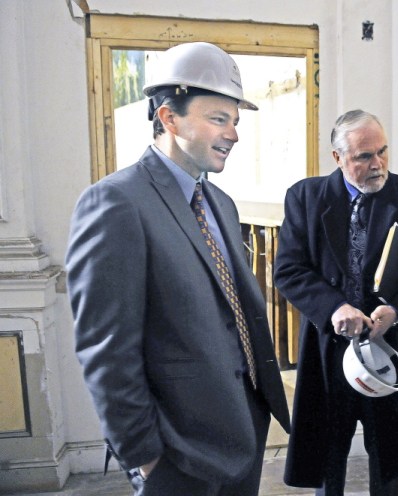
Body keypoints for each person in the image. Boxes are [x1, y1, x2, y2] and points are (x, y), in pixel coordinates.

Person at [66, 42, 290, 496]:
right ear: (169, 117)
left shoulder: (221, 205)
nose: (233, 135)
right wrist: (145, 457)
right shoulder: (116, 202)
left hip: (244, 430)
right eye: (218, 119)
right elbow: (107, 351)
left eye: (235, 122)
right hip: (176, 451)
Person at [274, 109, 398, 495]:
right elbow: (289, 270)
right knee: (326, 458)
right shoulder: (305, 197)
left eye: (382, 152)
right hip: (327, 353)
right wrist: (335, 308)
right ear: (337, 158)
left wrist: (396, 311)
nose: (377, 164)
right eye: (363, 157)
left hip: (388, 348)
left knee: (388, 459)